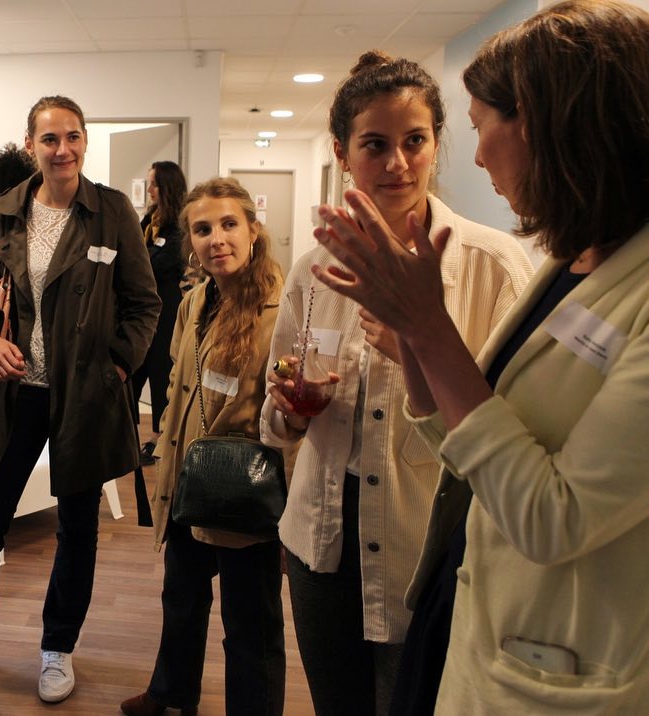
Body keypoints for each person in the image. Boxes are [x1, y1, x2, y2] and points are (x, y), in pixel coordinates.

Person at [310, 1, 649, 711]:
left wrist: (427, 334)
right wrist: (415, 345)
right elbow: (474, 442)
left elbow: (553, 517)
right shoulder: (574, 260)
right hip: (469, 605)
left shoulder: (581, 277)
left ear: (548, 124)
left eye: (476, 127)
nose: (479, 154)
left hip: (560, 655)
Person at [259, 52, 533, 716]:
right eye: (375, 145)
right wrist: (293, 409)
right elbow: (274, 408)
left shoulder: (490, 265)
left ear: (438, 144)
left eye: (415, 142)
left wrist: (426, 350)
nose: (397, 164)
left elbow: (518, 429)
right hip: (319, 538)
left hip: (427, 546)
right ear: (343, 153)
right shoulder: (313, 269)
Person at [0, 95, 159, 703]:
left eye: (72, 137)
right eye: (50, 139)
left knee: (77, 530)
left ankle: (56, 650)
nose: (62, 149)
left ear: (85, 142)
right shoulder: (2, 214)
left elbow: (145, 304)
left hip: (84, 398)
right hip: (16, 396)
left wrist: (117, 366)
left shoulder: (112, 212)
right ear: (30, 146)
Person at [121, 177, 287, 716]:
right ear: (190, 239)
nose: (217, 238)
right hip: (190, 480)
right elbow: (176, 384)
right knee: (182, 599)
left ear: (253, 230)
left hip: (246, 490)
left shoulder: (280, 309)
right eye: (202, 228)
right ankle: (171, 694)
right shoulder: (194, 301)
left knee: (250, 625)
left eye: (229, 224)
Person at [132, 160, 187, 465]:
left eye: (153, 183)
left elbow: (157, 265)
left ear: (166, 187)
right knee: (134, 374)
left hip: (166, 312)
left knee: (160, 374)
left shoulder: (179, 224)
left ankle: (158, 438)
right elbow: (135, 258)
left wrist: (139, 265)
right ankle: (128, 437)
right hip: (142, 312)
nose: (149, 188)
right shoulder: (149, 221)